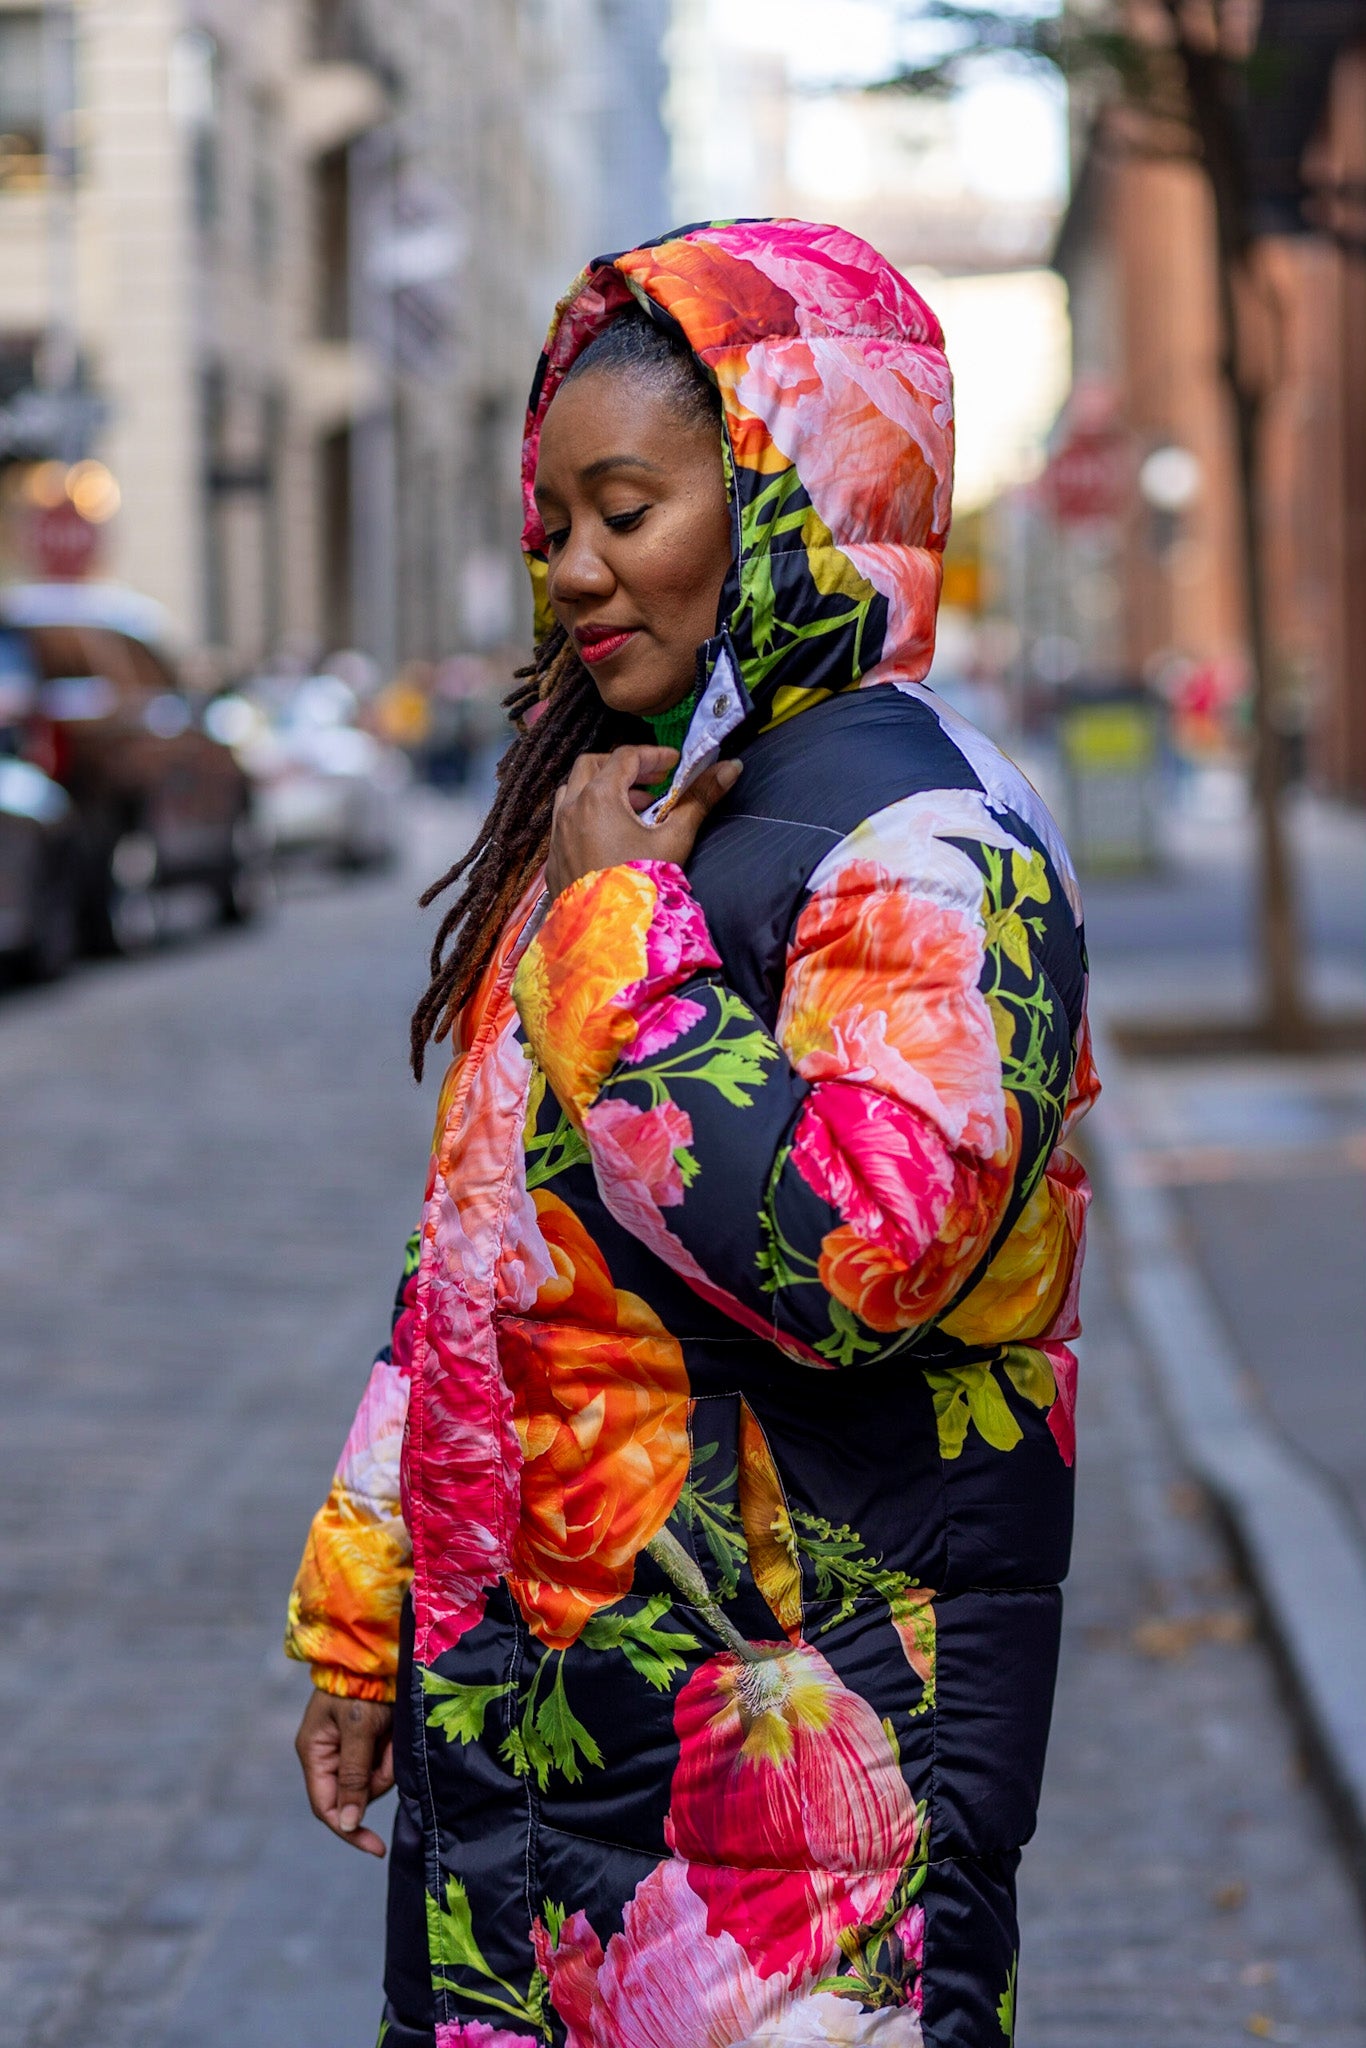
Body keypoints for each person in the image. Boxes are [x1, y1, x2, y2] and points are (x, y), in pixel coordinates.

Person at [288, 219, 1098, 2048]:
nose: (572, 568)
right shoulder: (628, 813)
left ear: (788, 492)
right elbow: (476, 1267)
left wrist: (618, 951)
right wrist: (366, 1615)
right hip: (530, 1764)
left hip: (804, 1808)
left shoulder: (926, 845)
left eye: (625, 508)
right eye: (551, 520)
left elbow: (855, 1258)